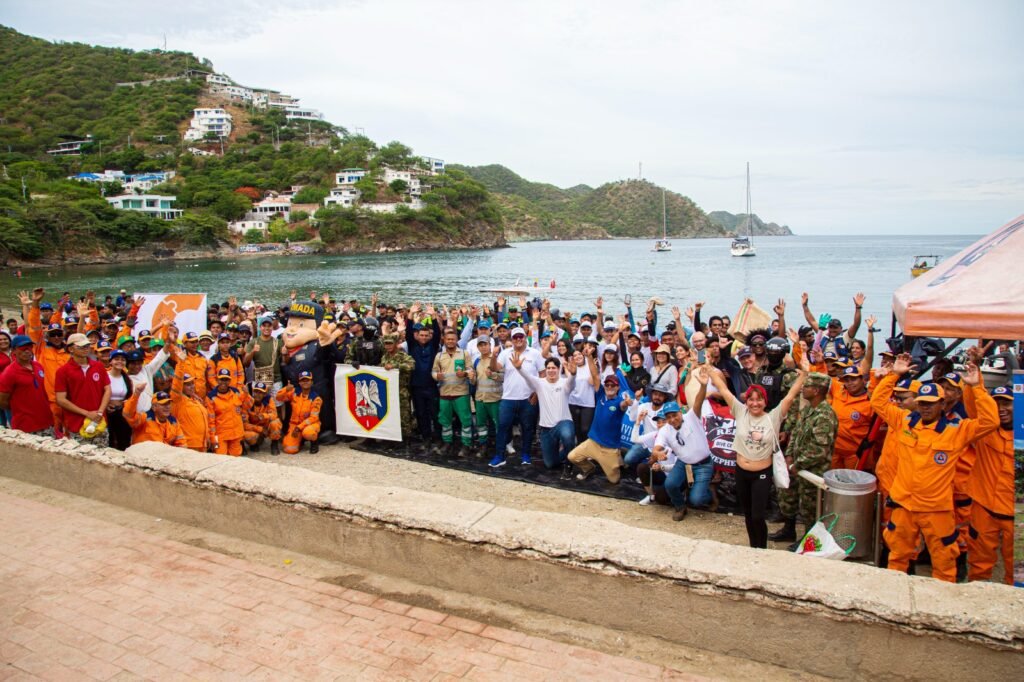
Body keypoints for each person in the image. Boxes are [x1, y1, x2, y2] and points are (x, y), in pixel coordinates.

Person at [870, 355, 997, 582]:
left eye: (930, 404)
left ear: (942, 404)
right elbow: (878, 402)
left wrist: (977, 387)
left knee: (944, 562)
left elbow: (990, 422)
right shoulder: (904, 421)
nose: (925, 408)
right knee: (897, 557)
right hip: (904, 505)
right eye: (922, 403)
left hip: (936, 509)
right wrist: (894, 375)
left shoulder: (957, 430)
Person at [709, 349, 808, 549]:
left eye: (759, 400)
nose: (755, 403)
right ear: (746, 402)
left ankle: (760, 548)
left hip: (762, 473)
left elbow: (790, 396)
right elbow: (724, 389)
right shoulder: (740, 411)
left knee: (757, 515)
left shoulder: (773, 416)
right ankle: (753, 546)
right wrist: (707, 365)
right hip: (741, 471)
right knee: (747, 514)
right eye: (751, 400)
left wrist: (804, 374)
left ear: (765, 402)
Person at [771, 372, 837, 543]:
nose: (802, 388)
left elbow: (819, 449)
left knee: (810, 509)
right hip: (796, 467)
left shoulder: (825, 415)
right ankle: (789, 529)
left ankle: (809, 541)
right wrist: (789, 457)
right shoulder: (808, 409)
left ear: (816, 390)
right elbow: (796, 434)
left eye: (806, 386)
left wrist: (797, 464)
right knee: (788, 498)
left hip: (813, 471)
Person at [650, 366, 713, 521]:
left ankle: (710, 492)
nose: (672, 419)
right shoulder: (666, 429)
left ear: (680, 412)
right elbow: (656, 449)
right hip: (683, 464)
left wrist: (703, 386)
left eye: (674, 415)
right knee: (670, 485)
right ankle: (680, 506)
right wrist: (658, 454)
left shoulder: (692, 417)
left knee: (697, 500)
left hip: (703, 464)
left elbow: (698, 401)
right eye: (668, 417)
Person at [964, 385, 1014, 584]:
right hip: (984, 509)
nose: (1001, 407)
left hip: (1016, 514)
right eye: (995, 403)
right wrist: (974, 384)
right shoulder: (986, 431)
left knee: (1017, 568)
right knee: (978, 563)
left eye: (1006, 403)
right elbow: (972, 405)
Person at [566, 357, 634, 484]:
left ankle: (618, 455)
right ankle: (589, 468)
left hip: (609, 448)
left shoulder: (619, 401)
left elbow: (624, 405)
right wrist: (589, 357)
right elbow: (595, 375)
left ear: (618, 387)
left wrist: (627, 403)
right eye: (607, 384)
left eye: (612, 385)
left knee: (614, 480)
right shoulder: (601, 395)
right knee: (572, 457)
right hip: (592, 442)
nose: (609, 387)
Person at [511, 354, 577, 474]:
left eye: (554, 368)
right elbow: (528, 377)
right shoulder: (539, 383)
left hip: (563, 423)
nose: (551, 370)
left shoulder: (564, 383)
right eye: (549, 368)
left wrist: (573, 374)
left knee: (567, 435)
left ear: (559, 369)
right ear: (545, 370)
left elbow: (572, 384)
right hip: (546, 428)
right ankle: (569, 453)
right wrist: (519, 368)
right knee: (550, 464)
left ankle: (569, 461)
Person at [489, 326, 544, 468]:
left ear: (525, 337)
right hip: (508, 398)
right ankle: (499, 456)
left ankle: (526, 455)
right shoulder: (505, 352)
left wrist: (537, 393)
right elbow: (495, 368)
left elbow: (542, 374)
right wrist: (493, 356)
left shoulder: (535, 353)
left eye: (521, 337)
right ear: (511, 340)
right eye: (515, 337)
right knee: (502, 427)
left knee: (528, 428)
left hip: (528, 398)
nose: (518, 339)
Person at [54, 333, 112, 442]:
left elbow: (107, 389)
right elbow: (60, 399)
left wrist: (99, 412)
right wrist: (87, 413)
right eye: (81, 347)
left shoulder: (98, 366)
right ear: (71, 349)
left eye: (87, 346)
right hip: (76, 423)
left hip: (99, 422)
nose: (85, 349)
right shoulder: (63, 371)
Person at [433, 327, 475, 457]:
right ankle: (447, 443)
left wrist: (465, 373)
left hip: (461, 393)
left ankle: (466, 444)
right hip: (445, 393)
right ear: (444, 340)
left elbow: (471, 370)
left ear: (457, 340)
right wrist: (436, 376)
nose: (450, 341)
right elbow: (434, 371)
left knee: (465, 421)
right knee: (445, 421)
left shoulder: (464, 354)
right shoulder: (439, 355)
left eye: (453, 339)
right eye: (448, 339)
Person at [0, 335, 53, 436]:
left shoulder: (38, 366)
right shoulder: (9, 373)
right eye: (23, 348)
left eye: (29, 347)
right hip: (26, 426)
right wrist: (20, 408)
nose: (27, 350)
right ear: (14, 351)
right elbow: (2, 401)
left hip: (46, 422)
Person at [830, 364, 874, 470]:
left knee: (851, 484)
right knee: (833, 482)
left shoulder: (871, 402)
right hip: (834, 451)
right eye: (847, 380)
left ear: (862, 379)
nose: (849, 383)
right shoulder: (839, 391)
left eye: (853, 379)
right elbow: (822, 378)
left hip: (854, 454)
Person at [380, 332, 416, 443]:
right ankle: (392, 437)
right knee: (390, 414)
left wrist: (395, 366)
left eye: (390, 343)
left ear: (396, 343)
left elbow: (411, 365)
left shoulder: (402, 355)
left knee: (404, 415)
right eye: (386, 344)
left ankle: (406, 438)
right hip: (388, 390)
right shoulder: (384, 356)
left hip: (401, 390)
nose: (388, 346)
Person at [207, 368, 251, 456]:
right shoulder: (211, 397)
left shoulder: (236, 392)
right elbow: (210, 421)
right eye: (221, 379)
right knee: (219, 459)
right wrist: (213, 440)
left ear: (230, 380)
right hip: (221, 436)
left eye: (226, 379)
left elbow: (247, 406)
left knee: (235, 460)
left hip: (236, 434)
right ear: (217, 380)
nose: (224, 382)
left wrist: (246, 394)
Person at [277, 370, 322, 454]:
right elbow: (278, 398)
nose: (305, 382)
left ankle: (314, 442)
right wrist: (286, 389)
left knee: (308, 432)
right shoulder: (294, 392)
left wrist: (299, 428)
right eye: (302, 380)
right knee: (289, 449)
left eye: (307, 380)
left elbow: (313, 418)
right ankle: (299, 440)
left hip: (310, 424)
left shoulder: (316, 398)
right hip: (294, 424)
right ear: (299, 382)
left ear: (311, 382)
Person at [170, 372, 213, 452]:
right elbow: (176, 386)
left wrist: (207, 436)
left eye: (192, 383)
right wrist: (181, 362)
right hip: (188, 445)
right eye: (188, 385)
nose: (192, 387)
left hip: (202, 444)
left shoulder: (196, 400)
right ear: (181, 387)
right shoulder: (177, 401)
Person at [104, 349, 134, 450]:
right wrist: (106, 405)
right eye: (116, 359)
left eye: (123, 359)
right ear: (111, 361)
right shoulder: (104, 375)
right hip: (107, 413)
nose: (120, 362)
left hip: (121, 413)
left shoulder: (126, 378)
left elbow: (129, 395)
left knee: (124, 441)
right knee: (109, 440)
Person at [244, 381, 282, 455]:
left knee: (275, 422)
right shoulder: (247, 402)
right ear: (253, 392)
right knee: (247, 435)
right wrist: (260, 429)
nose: (257, 395)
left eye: (260, 392)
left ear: (264, 394)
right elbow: (244, 424)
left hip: (266, 426)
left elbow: (274, 414)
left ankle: (274, 443)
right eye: (256, 392)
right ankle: (254, 444)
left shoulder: (269, 400)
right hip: (255, 428)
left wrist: (264, 416)